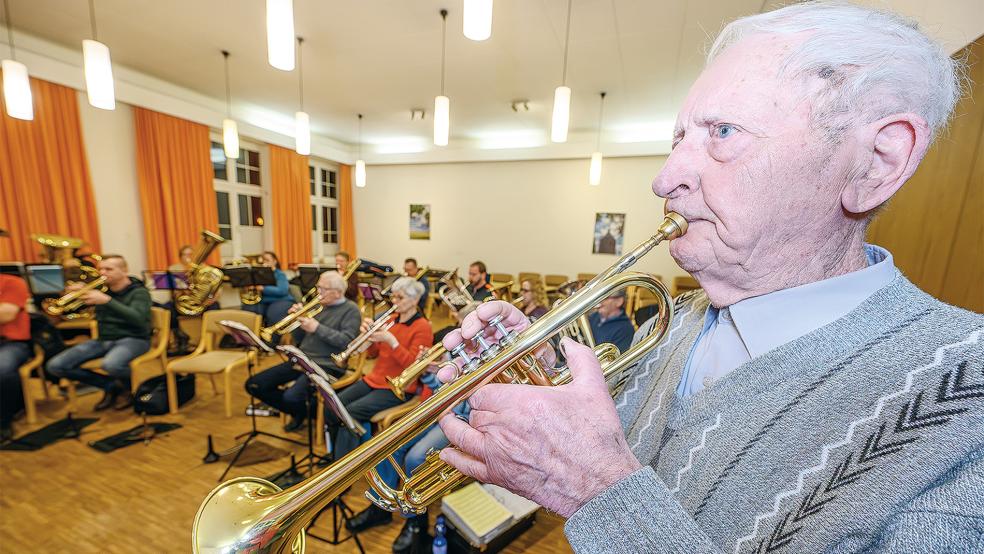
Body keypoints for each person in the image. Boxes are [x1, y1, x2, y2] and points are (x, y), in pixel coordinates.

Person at [436, 4, 984, 553]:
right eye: (678, 139)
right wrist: (541, 369)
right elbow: (622, 438)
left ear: (877, 163)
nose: (664, 179)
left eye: (722, 132)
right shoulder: (676, 320)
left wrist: (598, 495)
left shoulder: (966, 405)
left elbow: (610, 479)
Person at [324, 277, 433, 462]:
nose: (395, 302)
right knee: (333, 405)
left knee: (351, 412)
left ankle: (342, 466)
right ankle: (335, 455)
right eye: (394, 297)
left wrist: (392, 341)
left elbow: (414, 367)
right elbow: (375, 354)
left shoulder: (422, 326)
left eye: (401, 298)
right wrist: (367, 338)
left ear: (415, 300)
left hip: (399, 387)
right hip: (375, 379)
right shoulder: (390, 319)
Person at [244, 271, 360, 432]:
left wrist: (316, 328)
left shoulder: (351, 310)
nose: (318, 292)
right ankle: (303, 412)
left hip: (326, 364)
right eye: (318, 287)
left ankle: (312, 413)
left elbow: (345, 341)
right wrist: (298, 321)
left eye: (323, 289)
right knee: (254, 385)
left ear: (338, 292)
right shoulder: (319, 306)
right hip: (301, 359)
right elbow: (300, 339)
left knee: (291, 397)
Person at [46, 255, 151, 411]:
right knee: (55, 366)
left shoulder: (139, 292)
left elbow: (138, 319)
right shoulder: (101, 290)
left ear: (124, 270)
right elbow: (74, 312)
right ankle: (113, 386)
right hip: (103, 339)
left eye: (109, 269)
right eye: (100, 268)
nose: (103, 272)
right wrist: (76, 295)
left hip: (134, 339)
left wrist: (107, 301)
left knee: (111, 365)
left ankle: (130, 388)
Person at [0, 269, 30, 441]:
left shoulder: (11, 282)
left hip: (11, 343)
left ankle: (4, 419)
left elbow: (6, 314)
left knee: (2, 369)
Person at [241, 251, 293, 326]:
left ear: (275, 261)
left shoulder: (280, 274)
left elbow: (283, 291)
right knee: (248, 311)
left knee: (273, 315)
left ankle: (271, 336)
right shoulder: (259, 274)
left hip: (282, 300)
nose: (265, 263)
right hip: (264, 301)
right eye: (263, 261)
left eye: (267, 260)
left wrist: (263, 288)